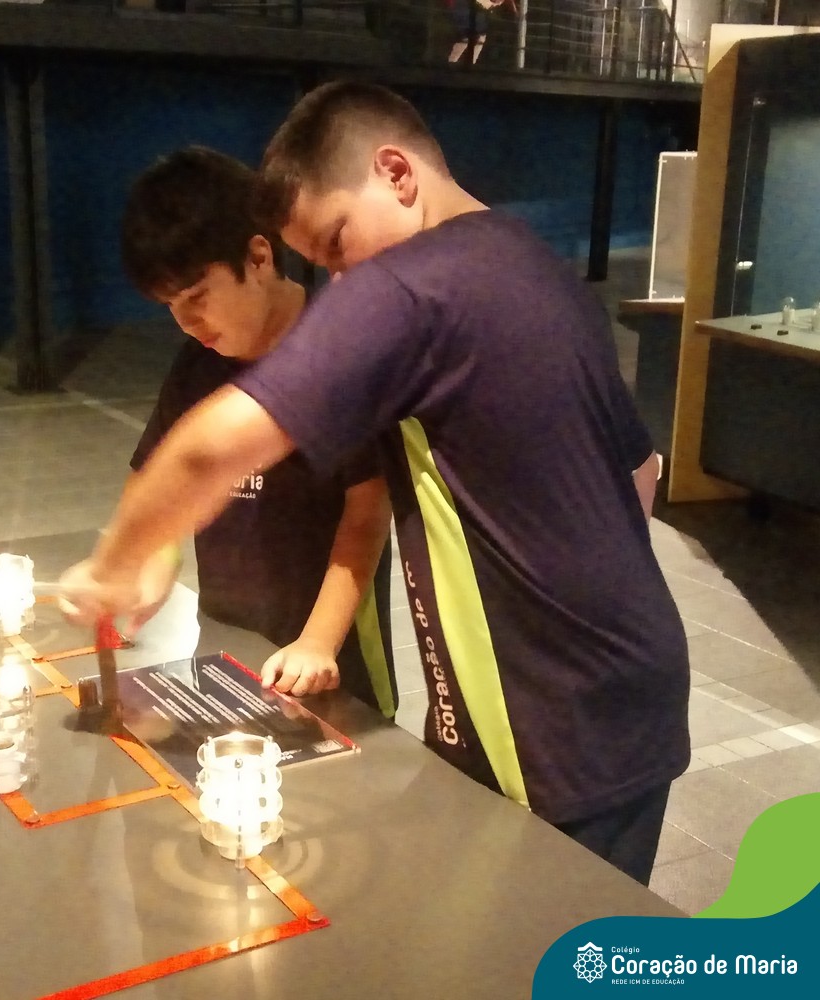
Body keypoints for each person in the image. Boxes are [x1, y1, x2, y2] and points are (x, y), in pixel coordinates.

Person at [60, 83, 690, 886]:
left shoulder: (413, 285)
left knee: (538, 936)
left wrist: (114, 565)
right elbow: (639, 470)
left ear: (396, 173)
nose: (339, 279)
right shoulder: (535, 264)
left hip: (554, 725)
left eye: (336, 241)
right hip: (619, 691)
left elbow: (207, 454)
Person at [112, 145, 398, 717]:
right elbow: (162, 481)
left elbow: (367, 515)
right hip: (226, 646)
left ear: (259, 256)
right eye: (169, 305)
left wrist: (317, 641)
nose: (186, 322)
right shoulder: (197, 363)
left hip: (331, 659)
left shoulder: (337, 353)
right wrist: (152, 568)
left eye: (197, 296)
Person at [447, 0, 503, 65]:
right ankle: (452, 63)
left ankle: (461, 64)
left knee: (476, 40)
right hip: (468, 17)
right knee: (466, 41)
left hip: (476, 22)